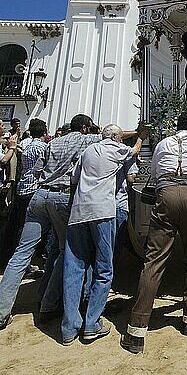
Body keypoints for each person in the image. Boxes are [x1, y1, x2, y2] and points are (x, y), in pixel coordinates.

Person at [0, 114, 141, 330]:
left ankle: (3, 311)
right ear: (85, 128)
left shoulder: (52, 142)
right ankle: (50, 304)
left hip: (39, 196)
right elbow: (112, 137)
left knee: (21, 254)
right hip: (64, 198)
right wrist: (139, 132)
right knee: (69, 254)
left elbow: (37, 170)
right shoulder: (90, 141)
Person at [121, 111, 187, 354]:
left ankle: (137, 330)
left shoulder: (162, 144)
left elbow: (156, 172)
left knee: (153, 261)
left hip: (166, 196)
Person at [61, 124, 145, 345]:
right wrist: (141, 137)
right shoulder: (115, 149)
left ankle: (69, 327)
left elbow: (74, 179)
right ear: (117, 138)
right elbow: (135, 150)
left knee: (74, 268)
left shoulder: (88, 151)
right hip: (102, 211)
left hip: (79, 211)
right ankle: (91, 323)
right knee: (104, 268)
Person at [0, 119, 48, 269]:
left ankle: (9, 258)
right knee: (28, 229)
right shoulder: (44, 147)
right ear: (44, 133)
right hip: (33, 189)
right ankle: (23, 264)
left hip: (22, 188)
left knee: (16, 225)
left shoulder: (26, 144)